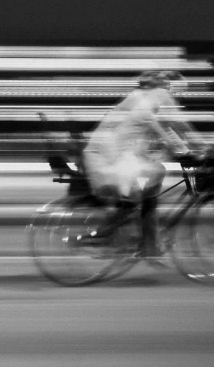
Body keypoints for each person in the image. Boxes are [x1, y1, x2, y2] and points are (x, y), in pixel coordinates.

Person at [82, 70, 206, 258]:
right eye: (178, 92)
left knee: (152, 184)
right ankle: (106, 235)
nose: (178, 99)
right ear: (167, 87)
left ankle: (148, 245)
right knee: (150, 181)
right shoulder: (156, 96)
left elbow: (167, 131)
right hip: (110, 159)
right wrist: (204, 149)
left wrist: (185, 150)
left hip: (114, 156)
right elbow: (179, 126)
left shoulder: (141, 101)